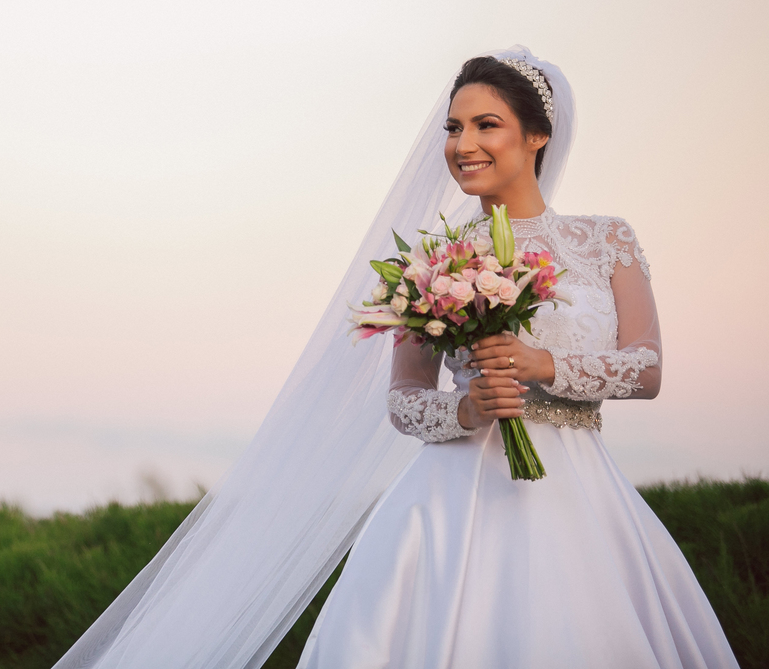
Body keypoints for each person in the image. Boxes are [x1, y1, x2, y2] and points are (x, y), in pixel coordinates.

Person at [53, 48, 738, 669]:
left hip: (580, 495)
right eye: (453, 128)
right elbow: (404, 400)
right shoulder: (429, 262)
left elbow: (645, 368)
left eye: (485, 125)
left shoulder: (605, 240)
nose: (463, 144)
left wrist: (541, 366)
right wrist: (467, 407)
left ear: (537, 136)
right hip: (449, 502)